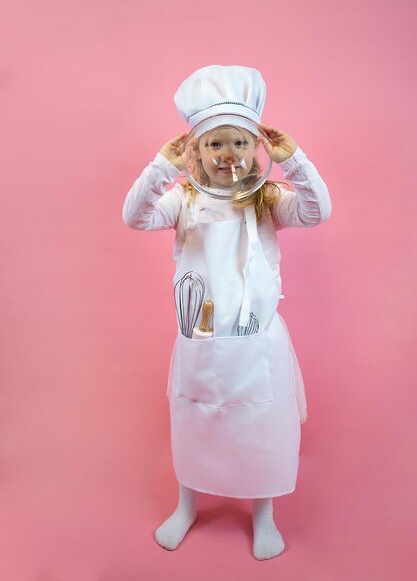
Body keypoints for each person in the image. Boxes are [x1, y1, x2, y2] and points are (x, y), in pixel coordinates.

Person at [122, 65, 332, 560]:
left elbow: (317, 210)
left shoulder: (266, 199)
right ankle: (187, 504)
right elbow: (135, 216)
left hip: (257, 342)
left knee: (261, 429)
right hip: (199, 336)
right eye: (215, 144)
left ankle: (264, 514)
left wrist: (295, 159)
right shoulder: (184, 200)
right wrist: (160, 168)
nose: (228, 155)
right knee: (195, 424)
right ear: (195, 150)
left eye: (239, 143)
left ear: (257, 150)